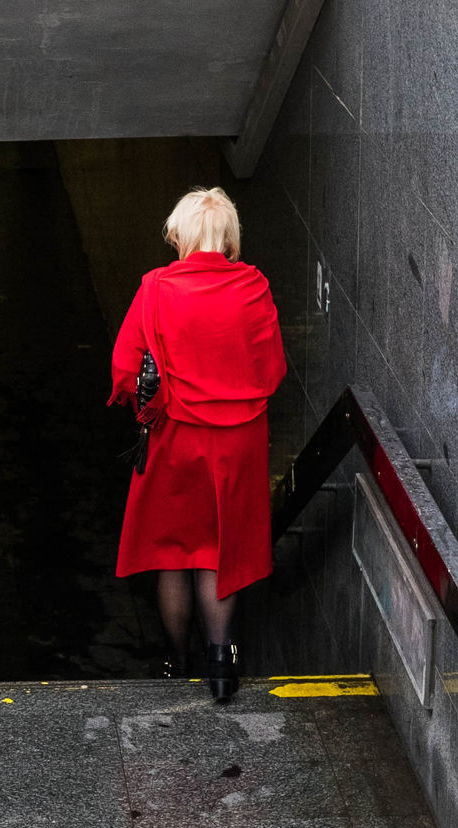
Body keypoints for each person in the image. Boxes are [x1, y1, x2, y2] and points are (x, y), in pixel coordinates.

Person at [108, 187, 286, 702]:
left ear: (182, 234)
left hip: (176, 442)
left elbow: (125, 370)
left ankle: (174, 660)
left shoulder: (157, 288)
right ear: (227, 235)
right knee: (218, 552)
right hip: (237, 446)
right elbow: (272, 370)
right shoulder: (254, 287)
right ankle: (220, 663)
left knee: (174, 554)